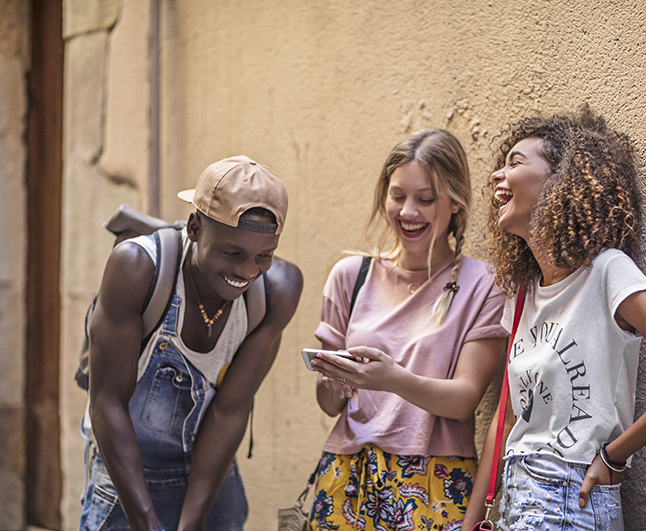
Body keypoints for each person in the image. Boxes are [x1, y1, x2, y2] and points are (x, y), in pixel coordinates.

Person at [462, 106, 646, 531]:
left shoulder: (607, 271)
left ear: (559, 181)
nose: (496, 176)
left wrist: (613, 454)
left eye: (515, 162)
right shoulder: (523, 295)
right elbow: (508, 419)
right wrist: (472, 523)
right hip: (515, 497)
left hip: (570, 498)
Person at [80, 156, 303, 531]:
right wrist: (146, 523)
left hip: (211, 478)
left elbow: (230, 410)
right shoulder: (136, 269)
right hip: (126, 476)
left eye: (264, 255)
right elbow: (107, 403)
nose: (248, 271)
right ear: (195, 227)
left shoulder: (278, 291)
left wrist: (192, 522)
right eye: (232, 253)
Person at [307, 129, 508, 531]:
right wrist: (335, 381)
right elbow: (329, 405)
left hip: (436, 485)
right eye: (397, 196)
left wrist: (392, 380)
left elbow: (465, 400)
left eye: (425, 199)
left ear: (455, 202)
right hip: (348, 477)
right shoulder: (351, 276)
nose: (408, 212)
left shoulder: (484, 283)